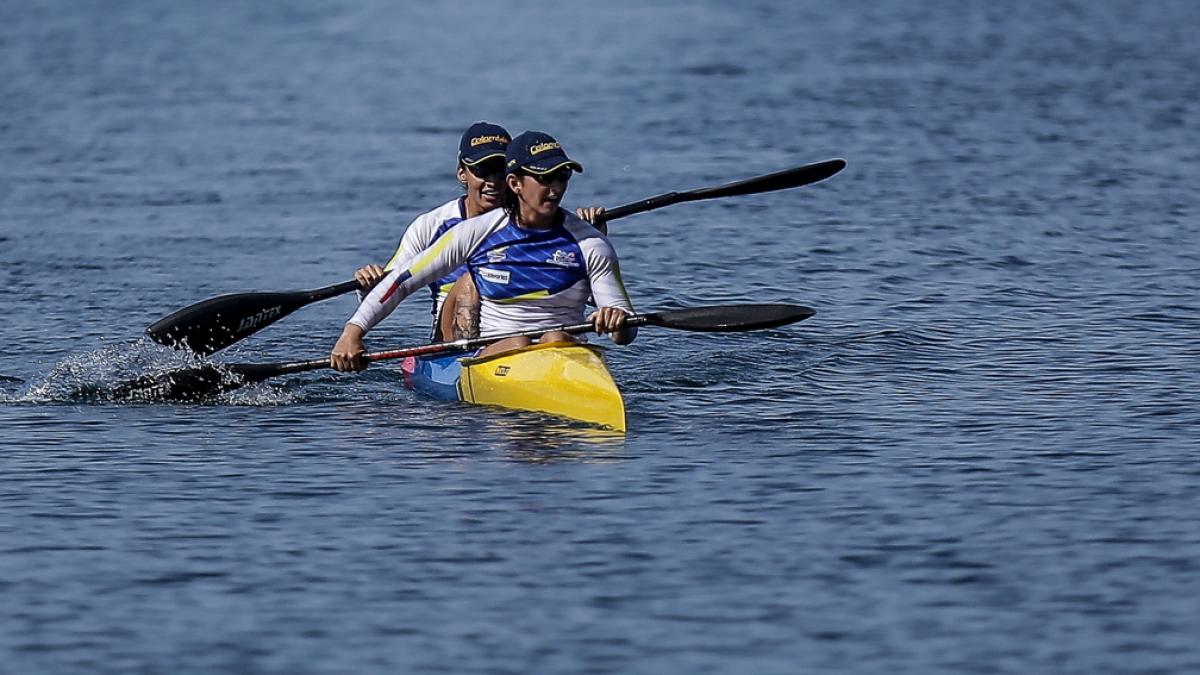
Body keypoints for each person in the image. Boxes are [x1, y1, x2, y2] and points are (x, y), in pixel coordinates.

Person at [331, 130, 635, 371]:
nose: (555, 188)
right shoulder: (474, 233)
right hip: (495, 355)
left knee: (555, 337)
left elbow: (626, 333)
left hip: (566, 353)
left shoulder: (592, 244)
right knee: (516, 340)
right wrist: (352, 333)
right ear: (515, 183)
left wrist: (616, 321)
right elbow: (401, 281)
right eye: (544, 178)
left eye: (562, 177)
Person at [353, 121, 511, 341]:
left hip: (513, 332)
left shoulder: (534, 222)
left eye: (500, 170)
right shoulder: (431, 226)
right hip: (452, 340)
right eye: (483, 171)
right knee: (471, 282)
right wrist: (368, 288)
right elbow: (391, 287)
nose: (493, 181)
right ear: (462, 174)